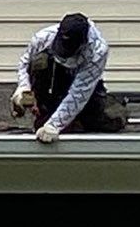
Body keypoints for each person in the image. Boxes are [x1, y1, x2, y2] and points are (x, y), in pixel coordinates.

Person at [11, 11, 126, 142]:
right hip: (53, 79)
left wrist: (54, 125)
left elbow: (79, 93)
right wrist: (23, 88)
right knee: (40, 60)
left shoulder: (98, 51)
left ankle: (81, 117)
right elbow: (24, 64)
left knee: (107, 119)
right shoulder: (43, 37)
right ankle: (45, 108)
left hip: (83, 84)